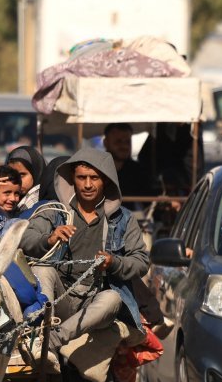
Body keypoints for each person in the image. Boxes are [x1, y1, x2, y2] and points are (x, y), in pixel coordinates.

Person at [20, 147, 149, 368]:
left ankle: (51, 341)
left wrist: (114, 263)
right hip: (60, 298)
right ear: (73, 180)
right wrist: (49, 239)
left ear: (106, 182)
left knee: (113, 298)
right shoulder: (55, 212)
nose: (88, 185)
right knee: (43, 270)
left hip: (94, 302)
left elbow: (141, 261)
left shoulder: (124, 220)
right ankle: (39, 332)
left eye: (94, 178)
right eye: (81, 178)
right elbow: (25, 239)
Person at [102, 122, 156, 210]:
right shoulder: (97, 170)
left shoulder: (139, 171)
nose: (124, 146)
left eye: (127, 142)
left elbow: (149, 200)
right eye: (118, 141)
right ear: (106, 143)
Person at [5, 145, 45, 212]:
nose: (16, 179)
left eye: (22, 175)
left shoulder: (35, 202)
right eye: (11, 174)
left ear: (35, 173)